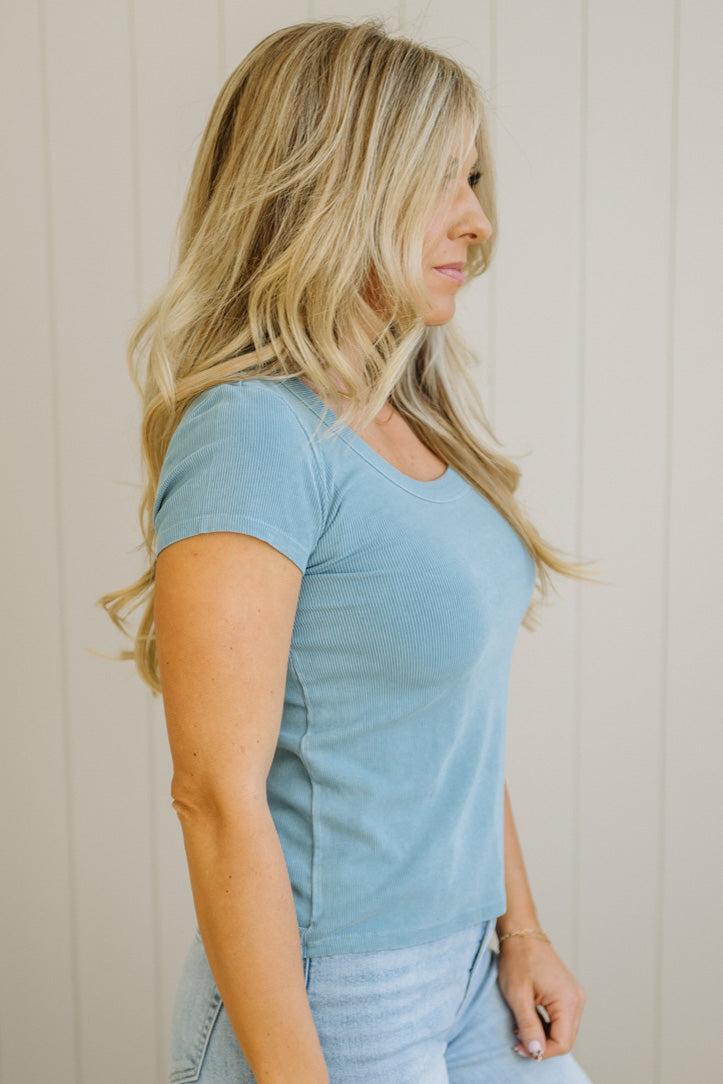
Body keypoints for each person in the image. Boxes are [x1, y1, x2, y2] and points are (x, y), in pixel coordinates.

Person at [99, 16, 599, 1083]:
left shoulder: (407, 415)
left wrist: (519, 928)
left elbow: (449, 717)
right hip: (334, 989)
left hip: (470, 966)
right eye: (440, 179)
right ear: (333, 187)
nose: (478, 219)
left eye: (473, 177)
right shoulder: (253, 432)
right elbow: (215, 797)